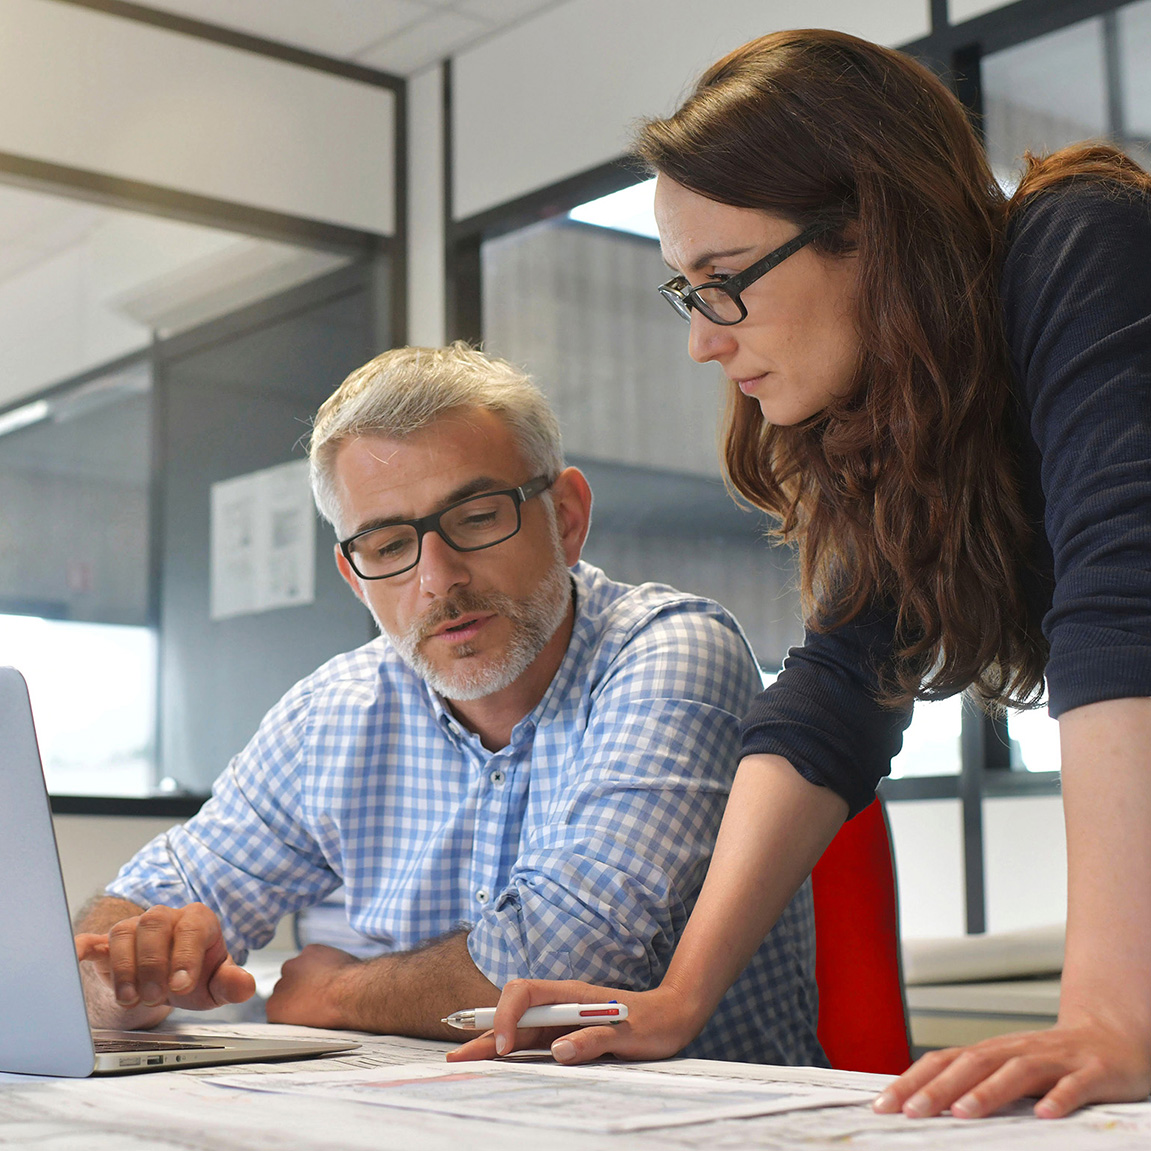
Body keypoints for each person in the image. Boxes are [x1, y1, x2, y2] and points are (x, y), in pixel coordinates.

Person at [449, 29, 1151, 1120]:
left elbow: (1123, 600)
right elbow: (834, 695)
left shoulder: (1076, 241)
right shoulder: (903, 421)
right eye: (688, 291)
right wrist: (674, 994)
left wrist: (1110, 1009)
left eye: (723, 281)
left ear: (871, 230)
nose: (703, 342)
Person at [72, 342, 823, 1066]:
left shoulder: (670, 649)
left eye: (475, 517)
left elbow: (568, 961)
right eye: (388, 544)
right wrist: (134, 979)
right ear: (354, 575)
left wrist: (332, 992)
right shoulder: (331, 713)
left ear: (564, 515)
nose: (436, 578)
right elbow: (121, 924)